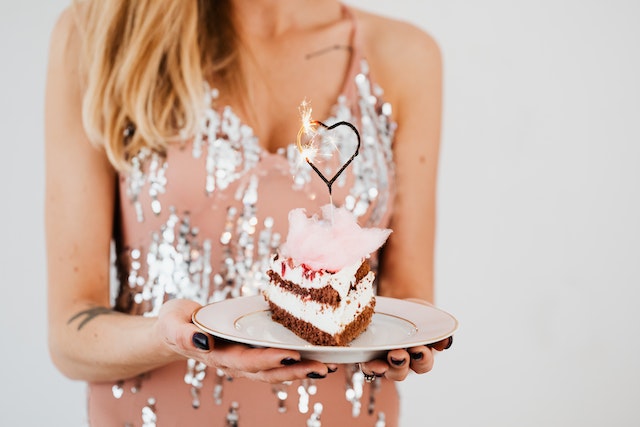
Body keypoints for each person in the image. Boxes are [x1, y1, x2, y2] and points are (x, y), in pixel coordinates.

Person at [45, 0, 450, 425]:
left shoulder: (406, 57)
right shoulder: (98, 33)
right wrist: (166, 336)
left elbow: (405, 299)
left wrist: (411, 335)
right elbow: (69, 337)